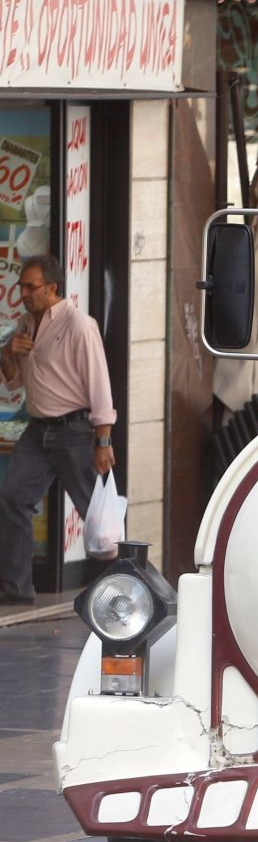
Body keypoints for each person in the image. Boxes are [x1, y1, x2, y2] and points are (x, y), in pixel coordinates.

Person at [0, 255, 115, 603]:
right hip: (38, 431)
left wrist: (102, 440)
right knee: (13, 498)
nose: (23, 293)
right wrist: (7, 352)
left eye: (30, 287)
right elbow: (16, 383)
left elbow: (100, 386)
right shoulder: (24, 325)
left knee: (97, 515)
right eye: (20, 286)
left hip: (76, 429)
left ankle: (121, 590)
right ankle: (16, 589)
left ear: (52, 289)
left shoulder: (79, 325)